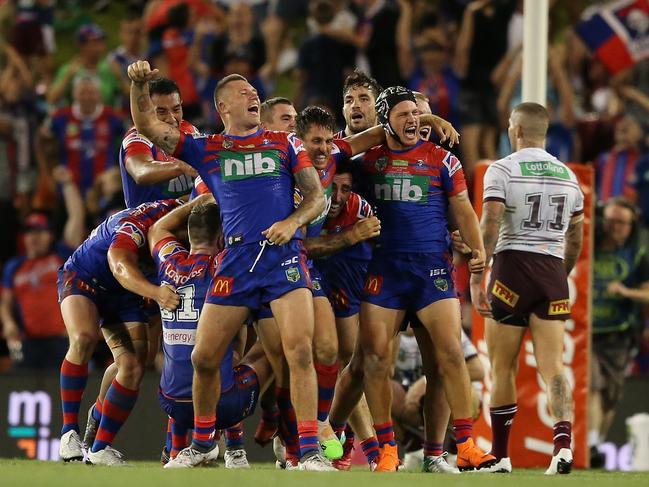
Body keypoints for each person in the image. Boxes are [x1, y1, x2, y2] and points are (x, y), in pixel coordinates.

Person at [127, 61, 332, 470]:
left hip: (282, 260)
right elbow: (149, 127)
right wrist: (137, 86)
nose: (253, 96)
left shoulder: (285, 144)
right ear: (223, 107)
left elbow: (316, 199)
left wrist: (291, 223)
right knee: (204, 357)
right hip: (235, 262)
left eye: (254, 92)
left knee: (300, 353)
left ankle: (308, 451)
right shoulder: (208, 149)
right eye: (243, 93)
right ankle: (204, 443)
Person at [329, 86, 491, 472]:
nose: (413, 120)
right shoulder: (369, 162)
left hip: (432, 271)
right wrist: (379, 133)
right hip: (384, 271)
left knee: (449, 355)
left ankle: (463, 444)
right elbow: (330, 154)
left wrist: (478, 248)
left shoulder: (443, 160)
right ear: (386, 120)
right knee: (373, 359)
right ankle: (381, 448)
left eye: (417, 114)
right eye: (403, 115)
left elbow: (464, 209)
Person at [469, 102, 584, 475]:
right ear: (544, 131)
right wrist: (558, 275)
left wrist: (477, 275)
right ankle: (563, 448)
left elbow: (489, 224)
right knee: (553, 366)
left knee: (503, 366)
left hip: (511, 269)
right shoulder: (569, 177)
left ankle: (501, 456)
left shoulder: (501, 170)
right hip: (553, 271)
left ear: (515, 130)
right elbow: (576, 240)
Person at [148, 195, 274, 469]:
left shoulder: (168, 263)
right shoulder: (224, 266)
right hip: (223, 405)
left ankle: (181, 449)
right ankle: (239, 446)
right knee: (276, 344)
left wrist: (199, 201)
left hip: (171, 403)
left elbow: (157, 229)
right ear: (221, 239)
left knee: (225, 348)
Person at [57, 198, 183, 465]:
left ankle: (100, 445)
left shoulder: (186, 219)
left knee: (135, 365)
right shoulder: (136, 225)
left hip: (123, 295)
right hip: (84, 277)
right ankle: (69, 432)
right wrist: (156, 293)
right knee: (83, 338)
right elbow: (119, 267)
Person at [1, 166, 85, 369]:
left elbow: (76, 217)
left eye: (39, 232)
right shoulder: (15, 266)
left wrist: (67, 184)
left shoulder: (62, 257)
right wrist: (8, 323)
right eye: (30, 233)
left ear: (49, 236)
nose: (33, 237)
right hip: (29, 342)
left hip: (62, 340)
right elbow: (5, 302)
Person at [589, 197, 649, 467]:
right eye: (610, 220)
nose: (613, 227)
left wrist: (626, 292)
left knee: (611, 395)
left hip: (619, 333)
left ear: (631, 225)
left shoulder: (638, 253)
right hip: (585, 332)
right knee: (592, 382)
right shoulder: (588, 244)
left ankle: (597, 443)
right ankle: (589, 442)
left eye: (620, 222)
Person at [40, 75, 125, 197]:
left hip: (102, 186)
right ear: (74, 94)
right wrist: (48, 172)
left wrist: (117, 171)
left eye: (90, 93)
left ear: (99, 94)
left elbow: (131, 140)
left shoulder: (112, 117)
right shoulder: (60, 117)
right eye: (82, 93)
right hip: (69, 186)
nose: (86, 97)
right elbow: (41, 140)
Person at [119, 77, 198, 208]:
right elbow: (140, 172)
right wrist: (181, 167)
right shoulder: (137, 138)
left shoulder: (190, 131)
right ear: (146, 111)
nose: (171, 119)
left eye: (176, 109)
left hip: (186, 215)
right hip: (146, 222)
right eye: (161, 111)